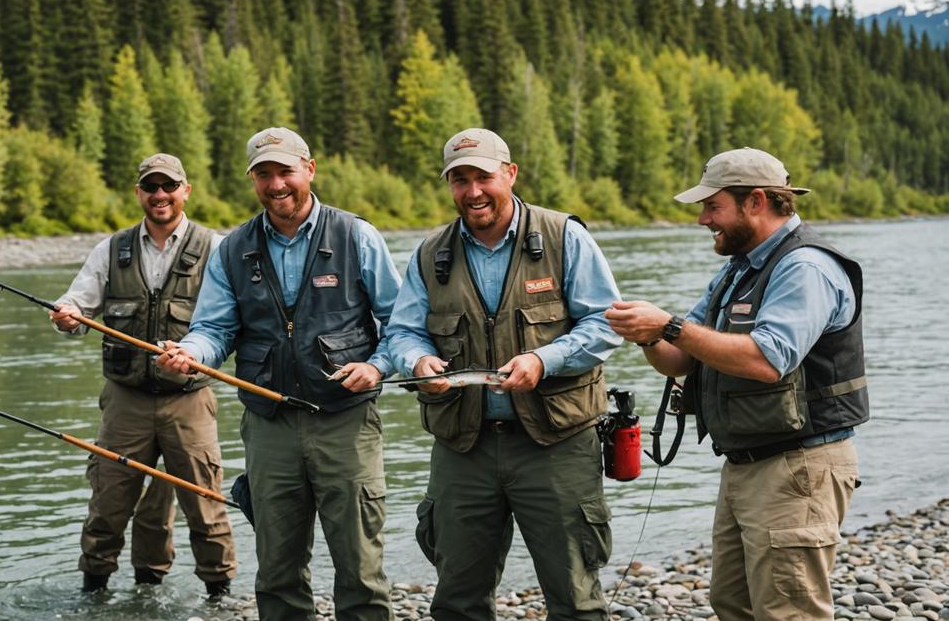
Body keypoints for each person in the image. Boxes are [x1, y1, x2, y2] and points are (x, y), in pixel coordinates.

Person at [605, 147, 868, 621]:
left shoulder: (805, 267)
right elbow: (682, 358)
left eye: (713, 205)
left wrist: (668, 324)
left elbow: (769, 360)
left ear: (756, 202)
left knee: (788, 613)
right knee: (733, 603)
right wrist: (646, 335)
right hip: (748, 464)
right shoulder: (738, 269)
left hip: (798, 467)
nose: (703, 219)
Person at [156, 127, 401, 621]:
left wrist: (376, 366)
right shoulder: (232, 249)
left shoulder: (356, 235)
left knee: (360, 567)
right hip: (268, 427)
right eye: (263, 174)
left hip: (346, 424)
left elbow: (401, 323)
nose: (276, 184)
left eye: (285, 171)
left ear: (309, 169)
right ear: (253, 180)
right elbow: (213, 329)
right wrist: (190, 353)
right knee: (277, 572)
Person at [387, 128, 623, 621]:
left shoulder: (564, 237)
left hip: (557, 443)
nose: (472, 191)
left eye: (483, 177)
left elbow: (605, 324)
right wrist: (417, 362)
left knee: (576, 599)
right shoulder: (431, 253)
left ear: (510, 174)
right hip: (462, 447)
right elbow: (403, 333)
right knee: (456, 601)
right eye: (459, 180)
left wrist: (544, 360)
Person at [48, 154, 237, 596]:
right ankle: (94, 588)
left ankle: (219, 594)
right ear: (139, 194)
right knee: (108, 503)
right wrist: (67, 317)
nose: (159, 195)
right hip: (124, 401)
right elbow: (77, 303)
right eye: (150, 187)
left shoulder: (218, 248)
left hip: (189, 400)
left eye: (168, 186)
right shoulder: (111, 249)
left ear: (185, 191)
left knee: (205, 505)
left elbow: (236, 321)